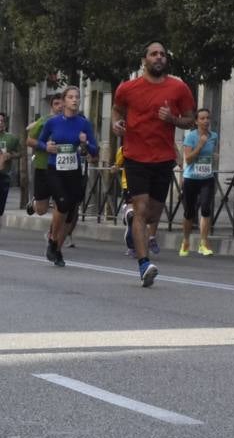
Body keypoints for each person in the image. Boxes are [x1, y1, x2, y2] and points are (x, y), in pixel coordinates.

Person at [113, 41, 198, 287]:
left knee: (152, 214)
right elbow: (117, 111)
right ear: (144, 60)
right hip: (135, 156)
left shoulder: (178, 88)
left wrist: (172, 118)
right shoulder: (127, 89)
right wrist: (115, 124)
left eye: (162, 54)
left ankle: (132, 224)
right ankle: (143, 264)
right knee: (141, 209)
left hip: (163, 159)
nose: (159, 57)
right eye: (154, 54)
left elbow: (190, 119)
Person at [36, 86, 99, 267]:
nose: (74, 100)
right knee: (62, 203)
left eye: (77, 97)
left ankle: (57, 248)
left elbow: (94, 150)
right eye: (71, 97)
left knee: (70, 213)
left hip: (73, 171)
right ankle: (53, 241)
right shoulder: (53, 122)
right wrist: (46, 147)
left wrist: (84, 143)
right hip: (54, 169)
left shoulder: (83, 124)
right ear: (63, 101)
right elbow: (40, 141)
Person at [178, 108, 219, 257]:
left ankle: (203, 243)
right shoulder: (191, 137)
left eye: (207, 118)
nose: (206, 121)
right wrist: (200, 145)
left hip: (207, 178)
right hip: (191, 178)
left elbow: (209, 154)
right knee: (189, 212)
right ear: (196, 121)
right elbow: (188, 159)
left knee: (206, 208)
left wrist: (213, 156)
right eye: (202, 118)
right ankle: (186, 241)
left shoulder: (214, 136)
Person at [24, 93, 62, 218]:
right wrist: (45, 146)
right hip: (43, 166)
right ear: (51, 107)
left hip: (62, 168)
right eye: (56, 104)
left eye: (62, 103)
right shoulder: (44, 121)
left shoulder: (72, 121)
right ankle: (34, 204)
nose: (59, 106)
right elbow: (29, 141)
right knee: (41, 210)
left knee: (62, 204)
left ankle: (55, 235)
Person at [0, 112, 21, 225]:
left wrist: (10, 155)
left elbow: (20, 153)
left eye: (1, 121)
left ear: (5, 123)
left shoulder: (11, 138)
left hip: (3, 175)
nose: (0, 123)